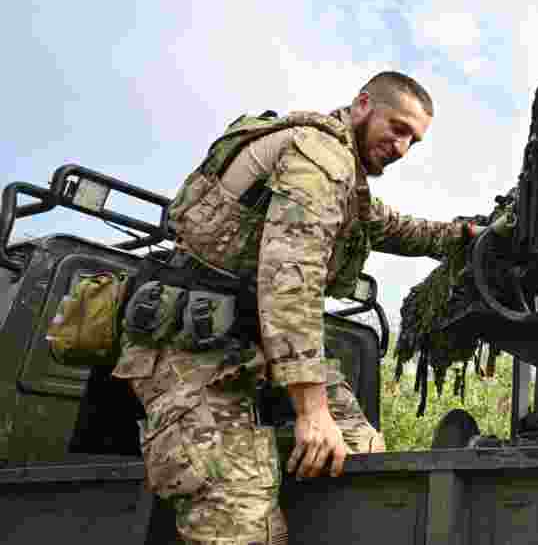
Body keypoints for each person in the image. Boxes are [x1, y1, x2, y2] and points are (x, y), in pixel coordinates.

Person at [112, 71, 478, 545]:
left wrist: (464, 235)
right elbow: (291, 280)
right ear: (363, 104)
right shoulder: (318, 157)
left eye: (415, 140)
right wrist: (312, 411)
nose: (403, 148)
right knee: (238, 521)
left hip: (258, 347)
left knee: (364, 456)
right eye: (398, 128)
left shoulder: (341, 169)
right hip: (192, 351)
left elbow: (394, 227)